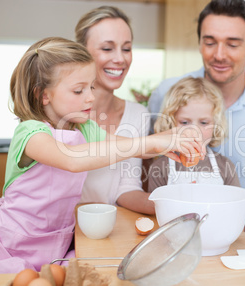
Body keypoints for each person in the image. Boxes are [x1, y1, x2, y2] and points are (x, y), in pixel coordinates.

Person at [0, 37, 203, 273]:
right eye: (79, 90)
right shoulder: (30, 132)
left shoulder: (84, 128)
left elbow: (129, 146)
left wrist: (168, 140)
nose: (90, 97)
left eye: (91, 87)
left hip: (57, 242)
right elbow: (71, 159)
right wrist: (152, 141)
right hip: (14, 243)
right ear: (43, 95)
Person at [148, 0, 245, 218]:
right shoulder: (167, 93)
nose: (219, 54)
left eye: (232, 44)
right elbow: (148, 152)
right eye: (209, 42)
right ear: (199, 42)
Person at [75, 6, 153, 214]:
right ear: (82, 52)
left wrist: (169, 204)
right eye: (107, 48)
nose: (120, 59)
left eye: (126, 49)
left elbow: (126, 189)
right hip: (55, 232)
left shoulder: (137, 115)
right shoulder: (59, 112)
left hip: (104, 231)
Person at [148, 77, 239, 191]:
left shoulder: (225, 166)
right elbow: (156, 207)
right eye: (185, 122)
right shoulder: (159, 168)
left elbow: (234, 204)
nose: (194, 131)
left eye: (204, 122)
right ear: (171, 123)